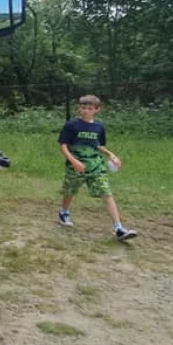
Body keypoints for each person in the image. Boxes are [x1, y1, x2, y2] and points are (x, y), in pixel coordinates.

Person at [57, 95, 138, 241]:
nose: (86, 111)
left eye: (89, 108)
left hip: (96, 166)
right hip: (76, 166)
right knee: (70, 191)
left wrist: (111, 155)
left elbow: (99, 145)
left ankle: (118, 228)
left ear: (96, 110)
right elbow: (63, 146)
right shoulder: (71, 125)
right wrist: (74, 161)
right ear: (79, 108)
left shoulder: (99, 127)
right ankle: (64, 212)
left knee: (106, 193)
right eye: (83, 107)